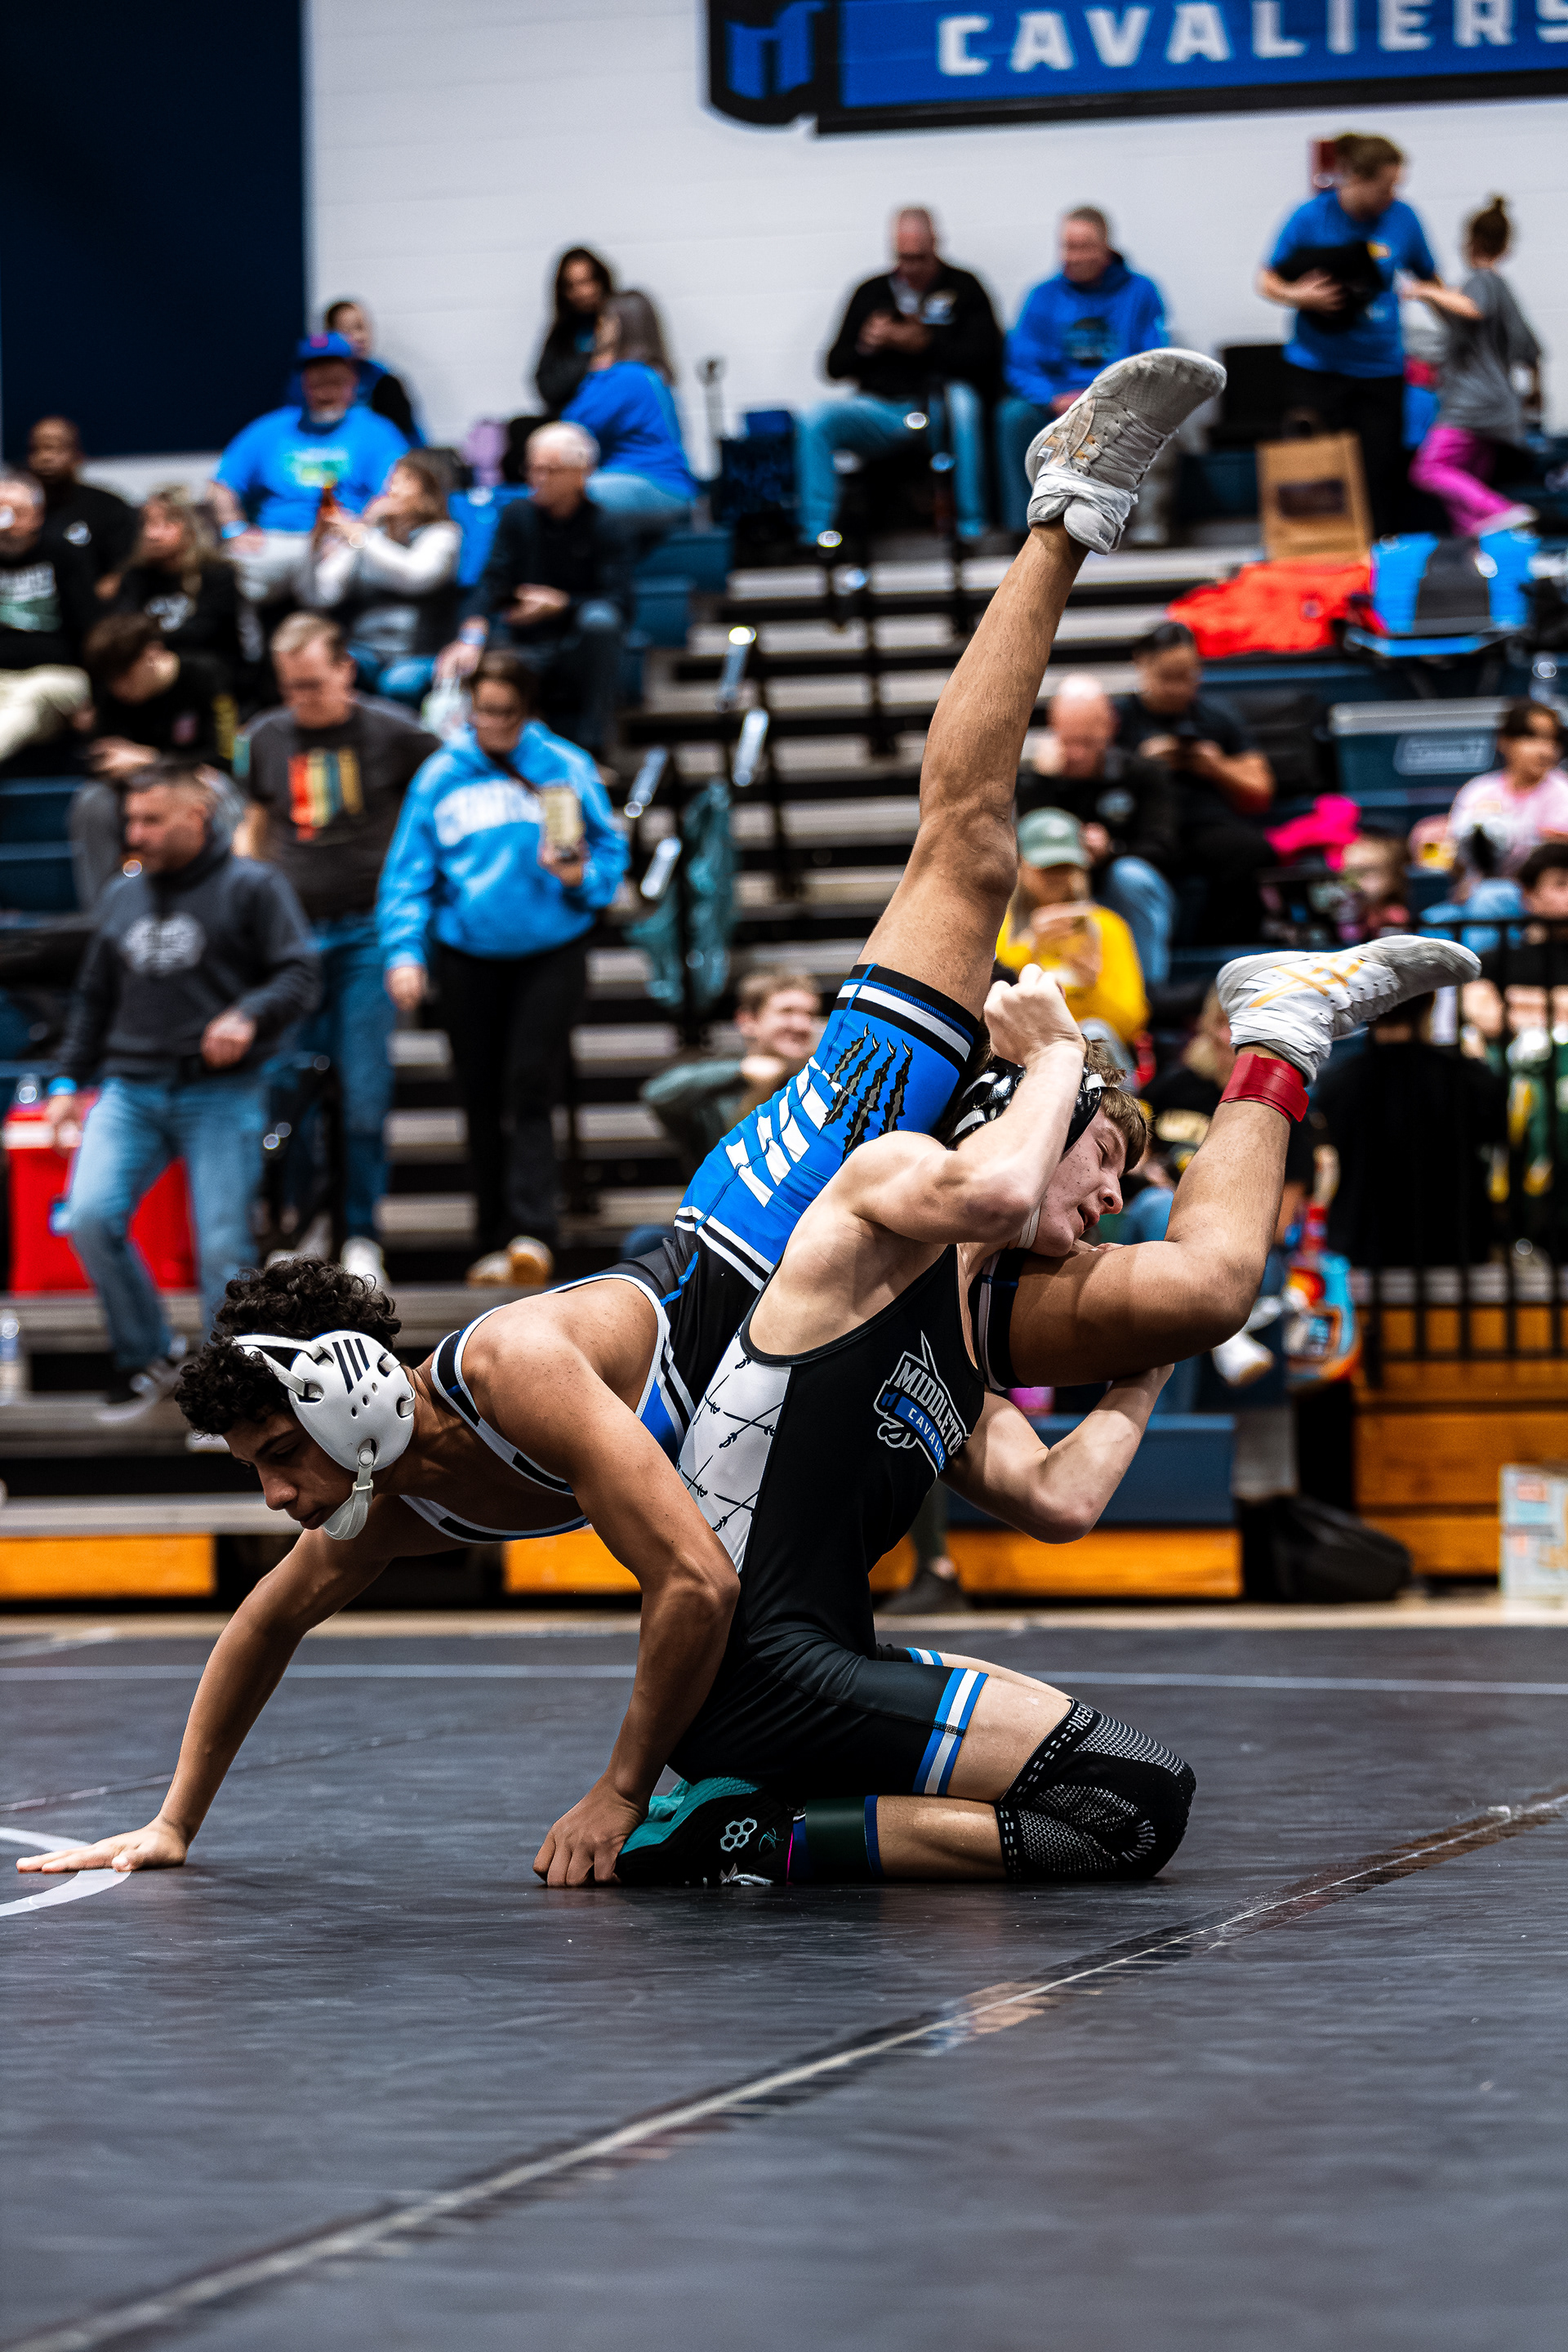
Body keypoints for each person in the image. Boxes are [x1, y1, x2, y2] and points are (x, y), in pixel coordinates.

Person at [33, 347, 1426, 1897]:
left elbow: (688, 1579)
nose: (277, 1499)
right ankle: (1279, 1030)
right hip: (832, 1339)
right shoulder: (384, 1502)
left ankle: (1064, 509)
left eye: (273, 1459)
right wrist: (175, 1818)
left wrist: (621, 1790)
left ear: (342, 1398)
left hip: (782, 1223)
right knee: (1204, 1293)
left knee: (969, 853)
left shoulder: (513, 1369)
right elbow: (261, 1629)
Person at [46, 760, 318, 1419]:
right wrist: (66, 1080)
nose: (135, 834)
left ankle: (228, 1392)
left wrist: (248, 1013)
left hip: (220, 1092)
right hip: (130, 1090)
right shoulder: (121, 894)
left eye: (152, 820)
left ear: (197, 816)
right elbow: (94, 996)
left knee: (223, 1247)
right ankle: (147, 1352)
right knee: (88, 1217)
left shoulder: (253, 885)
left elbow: (299, 974)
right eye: (131, 820)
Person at [377, 652, 627, 1281]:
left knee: (530, 1084)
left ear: (527, 710)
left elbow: (609, 851)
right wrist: (404, 951)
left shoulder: (564, 764)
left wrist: (582, 878)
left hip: (551, 950)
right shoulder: (441, 773)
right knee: (478, 1094)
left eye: (504, 713)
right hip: (467, 953)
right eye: (481, 711)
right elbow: (408, 872)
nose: (490, 723)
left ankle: (534, 1232)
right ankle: (492, 1237)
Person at [233, 613, 440, 1286]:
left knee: (362, 1091)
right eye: (290, 687)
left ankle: (360, 1234)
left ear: (347, 670)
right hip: (289, 938)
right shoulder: (265, 737)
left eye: (314, 685)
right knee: (285, 1088)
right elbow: (255, 824)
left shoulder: (396, 732)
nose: (302, 699)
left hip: (367, 932)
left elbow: (446, 793)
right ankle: (296, 1228)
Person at [1257, 131, 1472, 538]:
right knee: (1318, 471)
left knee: (1378, 471)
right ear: (1354, 178)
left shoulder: (1403, 219)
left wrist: (1461, 318)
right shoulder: (1308, 217)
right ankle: (1321, 557)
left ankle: (1378, 556)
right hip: (1316, 367)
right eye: (1385, 186)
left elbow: (1431, 279)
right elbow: (1266, 279)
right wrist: (1299, 296)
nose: (1392, 196)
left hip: (1380, 369)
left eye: (1396, 187)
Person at [796, 207, 1002, 552]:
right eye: (903, 258)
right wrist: (865, 345)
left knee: (963, 402)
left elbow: (988, 358)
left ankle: (970, 526)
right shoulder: (870, 292)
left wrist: (925, 344)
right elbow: (833, 366)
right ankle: (817, 535)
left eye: (919, 258)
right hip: (881, 410)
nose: (911, 268)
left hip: (938, 407)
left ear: (936, 244)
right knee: (815, 418)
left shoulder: (964, 287)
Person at [436, 423, 633, 754]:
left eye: (549, 470)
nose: (536, 479)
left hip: (576, 644)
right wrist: (471, 632)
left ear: (580, 473)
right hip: (521, 639)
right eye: (532, 468)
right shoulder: (517, 516)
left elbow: (622, 601)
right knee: (482, 649)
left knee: (602, 620)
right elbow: (493, 579)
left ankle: (594, 746)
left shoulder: (606, 525)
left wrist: (562, 604)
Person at [994, 209, 1169, 537]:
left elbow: (1153, 360)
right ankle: (1026, 527)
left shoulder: (1141, 291)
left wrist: (1106, 397)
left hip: (1120, 401)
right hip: (1056, 403)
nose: (1072, 257)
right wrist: (1052, 398)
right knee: (1012, 416)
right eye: (1067, 247)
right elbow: (1020, 365)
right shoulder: (1042, 296)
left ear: (1106, 249)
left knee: (1165, 413)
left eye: (1083, 247)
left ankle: (1147, 528)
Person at [212, 335, 409, 613]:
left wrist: (359, 527)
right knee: (223, 574)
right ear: (304, 382)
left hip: (343, 539)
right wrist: (235, 530)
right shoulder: (270, 429)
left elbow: (398, 492)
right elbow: (221, 486)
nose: (326, 389)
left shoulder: (377, 431)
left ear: (352, 379)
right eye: (317, 380)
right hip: (279, 539)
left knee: (334, 576)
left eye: (334, 379)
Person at [1315, 994, 1506, 1269]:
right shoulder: (1467, 1078)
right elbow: (1498, 1136)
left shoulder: (1339, 1081)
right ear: (1430, 1004)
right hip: (1453, 1240)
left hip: (1366, 1241)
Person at [1116, 621, 1275, 945]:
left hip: (1204, 827)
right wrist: (1142, 763)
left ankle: (1219, 948)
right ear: (1142, 664)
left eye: (1187, 677)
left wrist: (1217, 766)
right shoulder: (1119, 718)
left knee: (1250, 850)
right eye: (1167, 677)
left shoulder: (1217, 717)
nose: (1178, 688)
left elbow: (1262, 788)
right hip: (1145, 828)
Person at [1020, 673, 1178, 982]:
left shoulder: (1144, 774)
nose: (1077, 753)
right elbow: (1028, 844)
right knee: (1037, 872)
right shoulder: (1039, 780)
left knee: (1129, 875)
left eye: (1087, 742)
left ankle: (1146, 991)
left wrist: (1111, 851)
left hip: (1125, 888)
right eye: (1068, 742)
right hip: (1067, 885)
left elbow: (1165, 848)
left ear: (1109, 728)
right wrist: (1044, 782)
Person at [1410, 198, 1544, 539]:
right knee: (1465, 487)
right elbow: (1532, 350)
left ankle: (1502, 509)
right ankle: (1480, 545)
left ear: (1470, 243)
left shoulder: (1481, 281)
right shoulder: (1504, 291)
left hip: (1471, 405)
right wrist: (1535, 392)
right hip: (1501, 407)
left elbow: (1473, 308)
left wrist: (1427, 291)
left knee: (1429, 469)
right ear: (1506, 247)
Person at [293, 450, 461, 706]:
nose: (392, 489)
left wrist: (361, 535)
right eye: (392, 480)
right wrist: (315, 545)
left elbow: (416, 577)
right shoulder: (370, 535)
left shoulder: (443, 534)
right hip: (365, 651)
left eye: (405, 480)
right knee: (327, 669)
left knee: (399, 683)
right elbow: (320, 596)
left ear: (430, 489)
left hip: (418, 653)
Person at [995, 808, 1147, 1061]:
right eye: (1047, 867)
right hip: (1022, 1048)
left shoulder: (1108, 926)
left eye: (1066, 866)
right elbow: (991, 1002)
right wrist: (1031, 948)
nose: (1057, 876)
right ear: (1020, 863)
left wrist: (1091, 986)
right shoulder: (999, 925)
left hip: (1090, 1051)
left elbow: (1131, 1024)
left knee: (1094, 1031)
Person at [643, 969, 822, 1177]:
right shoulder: (718, 1091)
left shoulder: (822, 1085)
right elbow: (657, 1094)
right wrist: (741, 1072)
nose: (801, 1025)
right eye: (787, 1012)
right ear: (747, 1021)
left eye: (810, 1015)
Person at [560, 292, 697, 530]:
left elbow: (572, 427)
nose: (596, 330)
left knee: (565, 494)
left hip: (651, 481)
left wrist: (597, 367)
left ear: (618, 326)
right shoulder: (651, 373)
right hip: (669, 486)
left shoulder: (628, 376)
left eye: (603, 321)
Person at [0, 468, 95, 768]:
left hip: (59, 677)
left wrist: (98, 698)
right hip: (4, 680)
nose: (4, 522)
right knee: (20, 707)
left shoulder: (64, 557)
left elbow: (90, 630)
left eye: (14, 512)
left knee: (32, 693)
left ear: (37, 516)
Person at [111, 487, 247, 688]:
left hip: (208, 667)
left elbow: (208, 631)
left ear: (190, 526)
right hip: (149, 663)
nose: (152, 534)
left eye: (166, 523)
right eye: (146, 523)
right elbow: (123, 625)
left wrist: (152, 643)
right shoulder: (135, 577)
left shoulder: (217, 573)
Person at [82, 612, 237, 779]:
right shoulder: (112, 698)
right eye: (110, 681)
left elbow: (227, 758)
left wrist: (152, 759)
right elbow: (102, 760)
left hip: (198, 784)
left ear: (152, 653)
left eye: (125, 676)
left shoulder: (208, 676)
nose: (119, 689)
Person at [1441, 702, 1568, 892]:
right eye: (1532, 738)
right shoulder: (1478, 790)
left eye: (1552, 740)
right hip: (1477, 889)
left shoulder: (1562, 790)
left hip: (1536, 895)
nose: (1545, 751)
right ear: (1505, 741)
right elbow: (1455, 858)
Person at [25, 416, 138, 595]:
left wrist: (101, 594)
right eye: (36, 449)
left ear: (78, 455)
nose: (45, 457)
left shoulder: (107, 507)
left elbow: (126, 565)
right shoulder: (20, 509)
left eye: (55, 448)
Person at [303, 300, 422, 443]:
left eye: (361, 328)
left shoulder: (385, 383)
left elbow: (409, 439)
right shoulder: (307, 382)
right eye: (348, 331)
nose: (359, 337)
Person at [535, 247, 615, 416]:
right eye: (571, 286)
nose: (580, 292)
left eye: (586, 282)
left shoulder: (622, 322)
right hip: (568, 419)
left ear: (601, 281)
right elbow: (547, 388)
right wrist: (592, 359)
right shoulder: (562, 331)